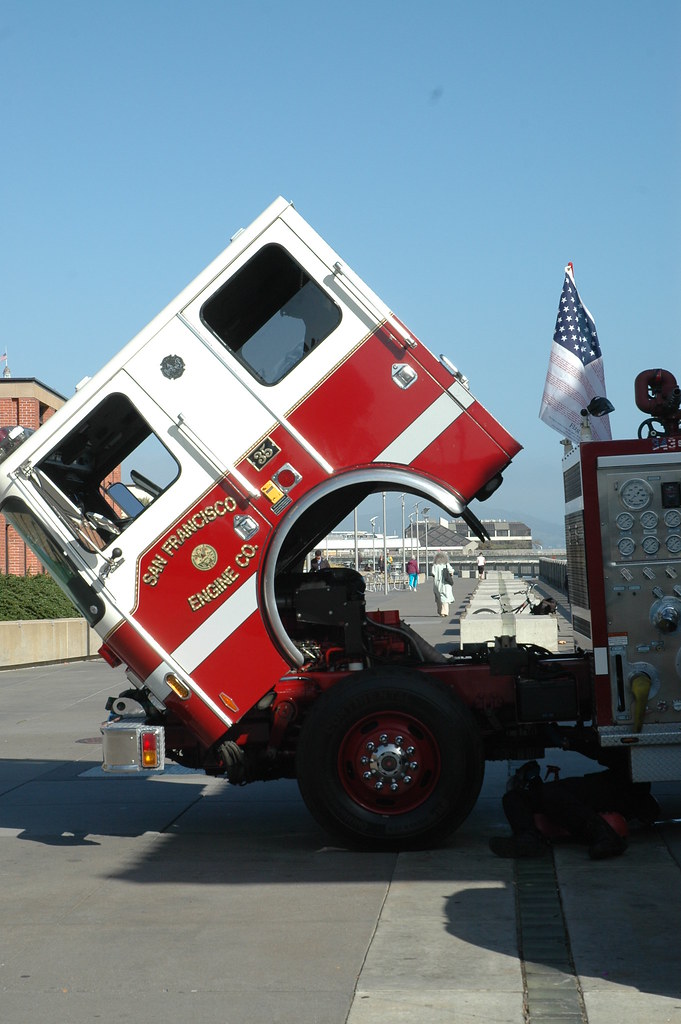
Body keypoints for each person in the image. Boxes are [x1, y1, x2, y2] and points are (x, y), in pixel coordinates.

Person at [488, 760, 660, 861]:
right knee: (513, 797)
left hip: (603, 790)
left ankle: (607, 837)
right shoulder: (624, 783)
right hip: (591, 786)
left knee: (550, 794)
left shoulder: (629, 794)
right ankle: (527, 839)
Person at [432, 552, 455, 618]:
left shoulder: (435, 565)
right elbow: (451, 571)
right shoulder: (446, 564)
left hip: (437, 584)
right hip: (445, 583)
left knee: (438, 598)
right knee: (445, 598)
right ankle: (444, 612)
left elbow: (433, 573)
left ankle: (440, 611)